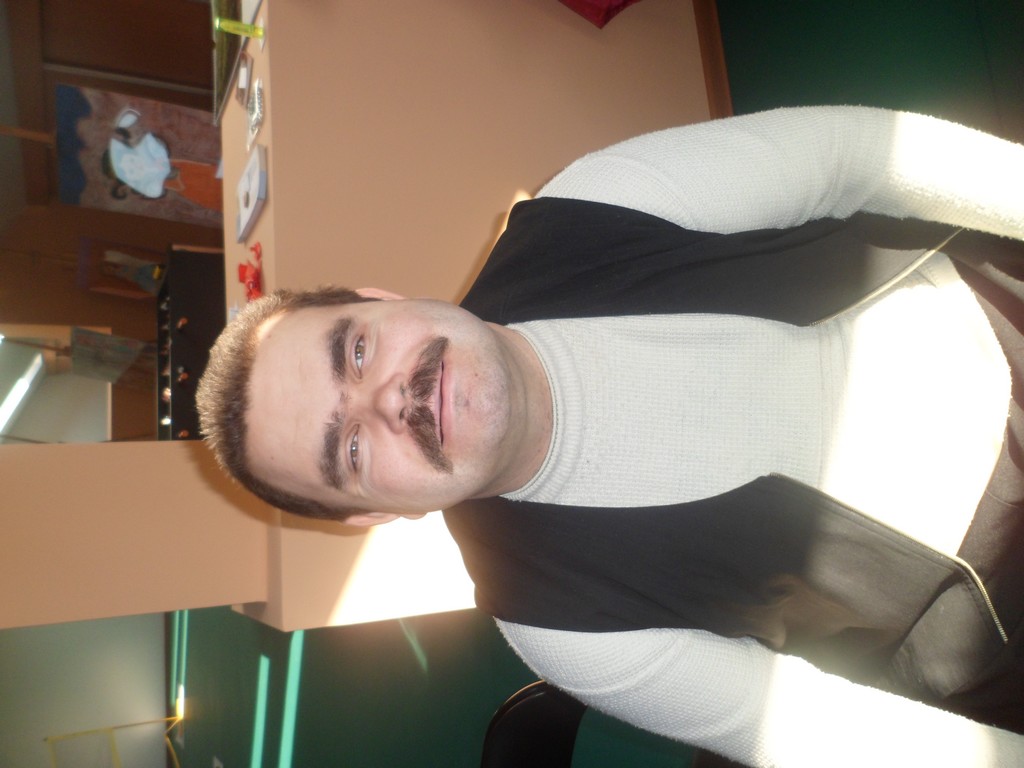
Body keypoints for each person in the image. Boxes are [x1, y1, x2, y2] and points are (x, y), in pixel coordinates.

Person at [197, 106, 1024, 767]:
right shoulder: (561, 629)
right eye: (349, 449)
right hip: (998, 601)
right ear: (375, 514)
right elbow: (823, 731)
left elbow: (863, 157)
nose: (389, 399)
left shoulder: (593, 205)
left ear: (381, 299)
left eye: (356, 350)